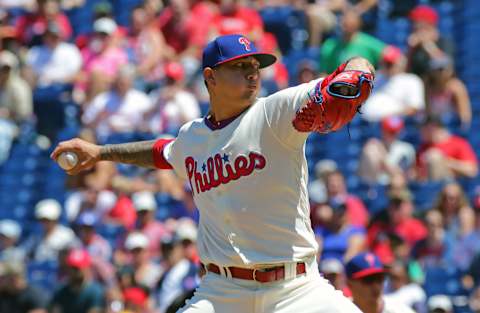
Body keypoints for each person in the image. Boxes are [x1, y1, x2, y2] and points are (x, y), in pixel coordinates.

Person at [51, 33, 374, 312]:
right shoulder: (192, 137)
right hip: (222, 292)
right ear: (210, 77)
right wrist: (100, 153)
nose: (252, 74)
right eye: (240, 66)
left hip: (296, 289)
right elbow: (162, 152)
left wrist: (358, 71)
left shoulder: (274, 112)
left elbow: (358, 69)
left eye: (255, 67)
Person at [345, 252, 416, 313]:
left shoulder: (400, 310)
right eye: (368, 280)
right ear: (350, 284)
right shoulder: (341, 309)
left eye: (380, 278)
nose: (376, 286)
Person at [416, 116, 478, 180]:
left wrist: (444, 161)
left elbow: (472, 170)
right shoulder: (423, 147)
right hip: (426, 183)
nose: (421, 133)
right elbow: (416, 172)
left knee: (435, 157)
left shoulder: (458, 143)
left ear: (433, 128)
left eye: (424, 129)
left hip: (454, 184)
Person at [358, 116, 416, 185]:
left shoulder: (406, 149)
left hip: (398, 187)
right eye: (389, 131)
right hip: (377, 186)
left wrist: (382, 157)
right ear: (383, 131)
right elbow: (361, 173)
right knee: (370, 151)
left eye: (394, 132)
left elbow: (401, 175)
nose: (392, 135)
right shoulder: (374, 147)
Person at [49, 249, 104, 313]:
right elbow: (54, 309)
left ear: (86, 267)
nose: (76, 271)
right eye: (73, 267)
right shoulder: (61, 290)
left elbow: (95, 310)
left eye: (78, 267)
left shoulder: (95, 291)